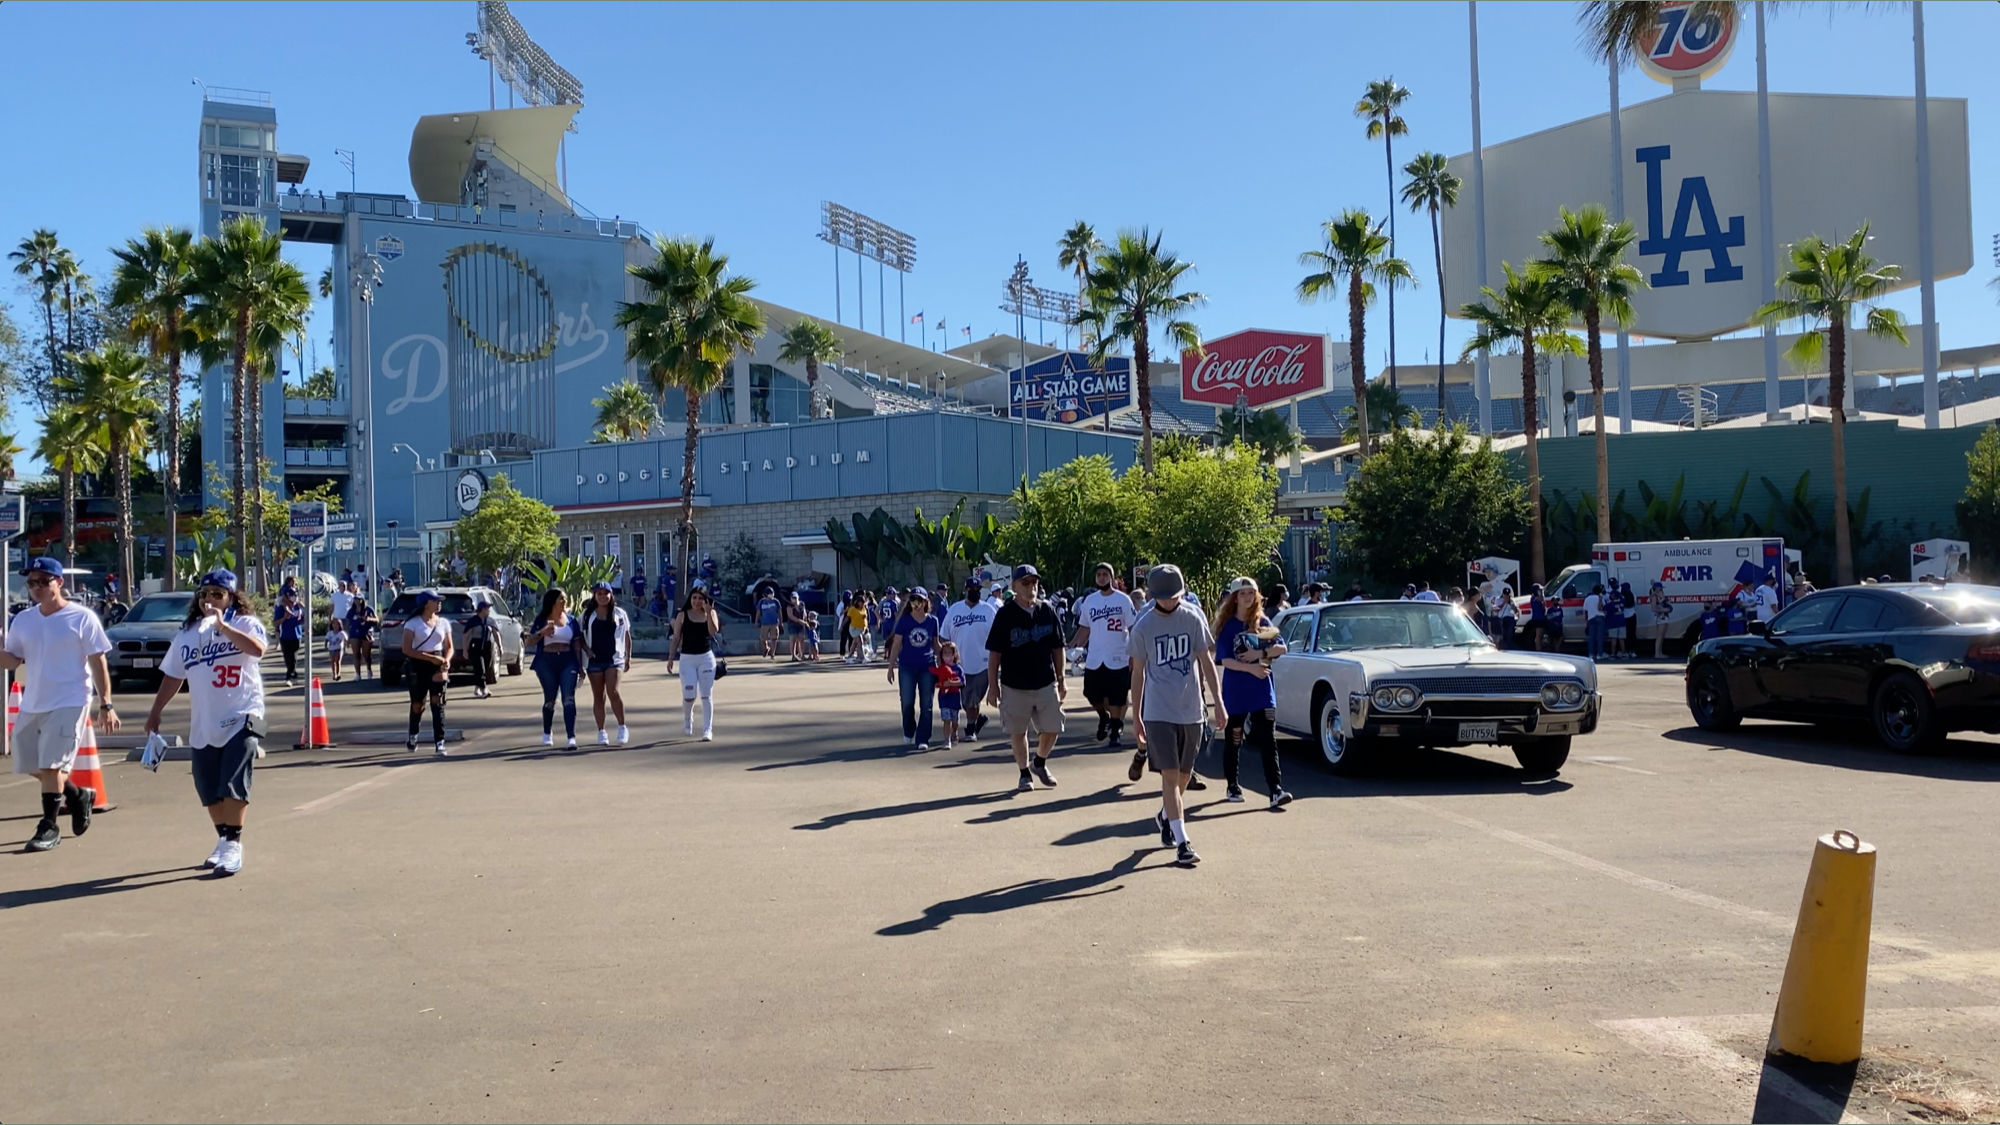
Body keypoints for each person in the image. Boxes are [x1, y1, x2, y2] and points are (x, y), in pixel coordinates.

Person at [142, 569, 266, 876]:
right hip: (204, 721)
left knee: (232, 780)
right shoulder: (188, 633)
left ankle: (234, 845)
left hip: (242, 715)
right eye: (204, 594)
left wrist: (223, 626)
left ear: (232, 598)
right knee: (207, 787)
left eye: (217, 595)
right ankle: (224, 840)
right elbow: (173, 674)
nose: (209, 600)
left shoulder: (244, 624)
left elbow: (257, 649)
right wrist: (156, 710)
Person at [1, 557, 118, 852]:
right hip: (34, 700)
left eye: (44, 581)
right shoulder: (24, 620)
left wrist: (106, 703)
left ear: (59, 582)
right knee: (27, 761)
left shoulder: (81, 617)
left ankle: (49, 826)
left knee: (52, 766)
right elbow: (13, 659)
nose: (37, 588)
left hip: (70, 700)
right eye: (31, 583)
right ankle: (79, 795)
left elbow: (98, 660)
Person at [1129, 564, 1224, 869]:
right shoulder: (1144, 626)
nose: (1170, 602)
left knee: (1184, 775)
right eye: (1165, 597)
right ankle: (1183, 842)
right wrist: (1137, 714)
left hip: (1192, 710)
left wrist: (1218, 703)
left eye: (1175, 596)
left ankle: (1165, 816)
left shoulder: (1192, 617)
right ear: (1154, 596)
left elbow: (1207, 663)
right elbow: (1138, 673)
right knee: (1170, 776)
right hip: (1159, 712)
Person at [1213, 576, 1293, 810]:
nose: (1248, 597)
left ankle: (1275, 789)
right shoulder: (1228, 625)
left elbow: (1282, 647)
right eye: (1243, 593)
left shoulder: (1262, 622)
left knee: (1268, 739)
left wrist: (1260, 655)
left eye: (1251, 593)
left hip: (1262, 690)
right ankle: (1233, 785)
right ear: (1235, 597)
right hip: (1237, 691)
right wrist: (1249, 667)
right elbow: (1226, 660)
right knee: (1234, 738)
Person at [985, 564, 1066, 792]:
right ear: (1015, 586)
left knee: (1053, 727)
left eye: (1034, 583)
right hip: (1014, 684)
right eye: (1026, 583)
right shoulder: (1005, 614)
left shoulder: (1046, 610)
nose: (1031, 587)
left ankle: (1039, 761)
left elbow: (1057, 648)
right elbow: (995, 654)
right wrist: (993, 686)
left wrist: (1062, 679)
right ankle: (1024, 773)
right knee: (1018, 731)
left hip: (1045, 681)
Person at [1073, 562, 1139, 763]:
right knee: (1091, 693)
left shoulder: (1123, 600)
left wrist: (1134, 655)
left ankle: (1116, 731)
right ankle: (1103, 717)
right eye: (1099, 574)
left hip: (1118, 656)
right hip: (1095, 657)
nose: (1102, 578)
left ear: (1111, 577)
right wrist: (1071, 645)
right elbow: (1084, 629)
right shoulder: (1090, 602)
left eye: (1105, 574)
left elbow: (1133, 627)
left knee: (1119, 697)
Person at [938, 577, 998, 741]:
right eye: (971, 589)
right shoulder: (955, 610)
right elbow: (944, 637)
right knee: (966, 701)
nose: (975, 592)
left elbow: (999, 637)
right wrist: (945, 659)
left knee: (974, 699)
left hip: (983, 664)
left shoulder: (989, 610)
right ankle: (978, 721)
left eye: (978, 590)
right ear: (965, 590)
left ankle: (971, 728)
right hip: (960, 665)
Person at [400, 589, 454, 756]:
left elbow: (450, 647)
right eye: (435, 600)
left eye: (439, 600)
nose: (439, 603)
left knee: (437, 703)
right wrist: (429, 659)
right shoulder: (413, 624)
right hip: (418, 664)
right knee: (418, 704)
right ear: (425, 604)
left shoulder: (443, 622)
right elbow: (407, 649)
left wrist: (446, 660)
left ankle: (440, 742)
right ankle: (413, 735)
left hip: (438, 663)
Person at [887, 589, 941, 750]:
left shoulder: (932, 621)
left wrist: (947, 659)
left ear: (925, 602)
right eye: (913, 600)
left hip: (927, 667)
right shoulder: (904, 620)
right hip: (907, 667)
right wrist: (890, 667)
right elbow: (896, 645)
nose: (916, 604)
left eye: (919, 600)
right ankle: (909, 729)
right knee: (907, 701)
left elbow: (936, 645)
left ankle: (923, 737)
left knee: (927, 704)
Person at [579, 582, 632, 745]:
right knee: (598, 696)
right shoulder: (587, 615)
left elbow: (627, 635)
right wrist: (587, 651)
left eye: (606, 593)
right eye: (599, 593)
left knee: (613, 691)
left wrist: (628, 656)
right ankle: (601, 731)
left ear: (611, 595)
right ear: (594, 596)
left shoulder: (619, 614)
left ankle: (622, 726)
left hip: (614, 659)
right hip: (594, 660)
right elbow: (580, 637)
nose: (603, 596)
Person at [529, 589, 581, 748]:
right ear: (553, 602)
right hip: (546, 661)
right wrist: (542, 632)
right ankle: (547, 732)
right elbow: (529, 641)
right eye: (561, 599)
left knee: (568, 698)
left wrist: (580, 666)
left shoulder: (571, 620)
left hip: (568, 661)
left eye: (565, 599)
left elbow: (577, 644)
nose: (564, 602)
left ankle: (571, 736)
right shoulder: (541, 620)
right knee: (550, 699)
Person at [672, 588, 721, 740]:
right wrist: (670, 658)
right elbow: (676, 638)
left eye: (700, 598)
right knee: (689, 695)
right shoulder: (682, 615)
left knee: (706, 696)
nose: (697, 601)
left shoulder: (710, 613)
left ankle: (707, 730)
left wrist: (709, 613)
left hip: (705, 658)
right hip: (687, 659)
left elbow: (713, 631)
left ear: (705, 600)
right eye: (694, 598)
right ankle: (688, 719)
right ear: (690, 599)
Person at [934, 640, 966, 749]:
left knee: (955, 720)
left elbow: (962, 682)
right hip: (944, 698)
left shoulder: (958, 669)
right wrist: (940, 684)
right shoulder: (941, 669)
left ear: (954, 655)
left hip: (955, 697)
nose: (947, 657)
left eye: (950, 654)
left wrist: (951, 683)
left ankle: (954, 732)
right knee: (946, 720)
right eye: (945, 654)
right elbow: (936, 682)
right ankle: (947, 741)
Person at [272, 589, 305, 687]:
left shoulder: (298, 606)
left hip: (296, 635)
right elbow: (275, 623)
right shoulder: (281, 608)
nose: (294, 597)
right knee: (288, 658)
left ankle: (290, 675)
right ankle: (291, 675)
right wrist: (284, 618)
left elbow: (302, 619)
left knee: (294, 657)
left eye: (295, 594)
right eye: (292, 595)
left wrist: (305, 611)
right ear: (286, 597)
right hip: (285, 636)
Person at [346, 596, 379, 679]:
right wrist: (347, 636)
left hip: (366, 633)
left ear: (362, 600)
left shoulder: (368, 609)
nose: (356, 601)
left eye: (358, 599)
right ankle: (358, 674)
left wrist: (369, 619)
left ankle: (369, 669)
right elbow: (347, 623)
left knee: (366, 654)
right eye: (355, 599)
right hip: (354, 634)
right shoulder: (351, 611)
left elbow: (377, 620)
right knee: (356, 654)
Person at [755, 585, 782, 660]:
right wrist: (756, 621)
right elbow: (758, 612)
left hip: (774, 622)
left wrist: (781, 622)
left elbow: (779, 612)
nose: (772, 594)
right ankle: (766, 648)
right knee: (763, 638)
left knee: (774, 638)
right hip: (764, 623)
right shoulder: (761, 602)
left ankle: (772, 653)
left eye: (772, 593)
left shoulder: (776, 601)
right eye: (770, 593)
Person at [1650, 581, 1673, 658]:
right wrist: (1664, 610)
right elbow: (1653, 608)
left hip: (1664, 616)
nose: (1661, 590)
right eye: (1660, 589)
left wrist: (1668, 608)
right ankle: (1657, 653)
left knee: (1662, 635)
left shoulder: (1661, 596)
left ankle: (1660, 652)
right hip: (1660, 617)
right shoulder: (1654, 597)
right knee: (1659, 635)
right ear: (1656, 589)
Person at [1584, 584, 1607, 662]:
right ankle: (1600, 654)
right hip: (1600, 617)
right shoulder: (1600, 598)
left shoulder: (1587, 599)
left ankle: (1591, 654)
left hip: (1591, 618)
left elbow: (1585, 611)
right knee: (1599, 637)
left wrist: (1586, 620)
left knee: (1591, 637)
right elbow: (1603, 608)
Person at [1604, 583, 1627, 660]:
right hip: (1622, 623)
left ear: (1613, 596)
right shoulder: (1622, 602)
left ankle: (1613, 654)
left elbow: (1604, 610)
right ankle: (1624, 654)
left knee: (1613, 639)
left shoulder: (1610, 605)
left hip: (1613, 623)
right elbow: (1623, 598)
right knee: (1621, 640)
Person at [1493, 585, 1518, 650]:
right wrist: (1504, 602)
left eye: (1507, 594)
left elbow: (1515, 611)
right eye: (1505, 594)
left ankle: (1509, 646)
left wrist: (1512, 605)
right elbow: (1497, 609)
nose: (1506, 596)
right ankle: (1503, 646)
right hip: (1502, 619)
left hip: (1510, 618)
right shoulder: (1498, 599)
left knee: (1509, 634)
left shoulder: (1511, 601)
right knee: (1502, 634)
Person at [325, 614, 348, 682]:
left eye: (337, 624)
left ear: (339, 625)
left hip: (339, 648)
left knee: (337, 661)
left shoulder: (341, 633)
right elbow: (326, 639)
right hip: (331, 648)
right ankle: (334, 674)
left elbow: (346, 639)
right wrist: (326, 645)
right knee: (332, 661)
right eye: (334, 624)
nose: (335, 626)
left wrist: (346, 645)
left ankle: (338, 673)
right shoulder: (330, 633)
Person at [1526, 584, 1548, 651]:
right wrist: (1542, 594)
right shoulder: (1535, 598)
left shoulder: (1536, 598)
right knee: (1538, 636)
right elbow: (1542, 599)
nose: (1540, 591)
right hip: (1537, 619)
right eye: (1539, 590)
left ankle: (1539, 647)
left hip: (1541, 618)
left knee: (1540, 635)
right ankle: (1538, 649)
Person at [1546, 587, 1567, 652]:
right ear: (1552, 601)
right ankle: (1554, 650)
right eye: (1555, 600)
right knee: (1552, 639)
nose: (1556, 601)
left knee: (1560, 637)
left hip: (1559, 626)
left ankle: (1557, 649)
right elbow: (1548, 619)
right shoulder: (1550, 610)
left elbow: (1561, 617)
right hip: (1552, 627)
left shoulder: (1560, 609)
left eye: (1557, 600)